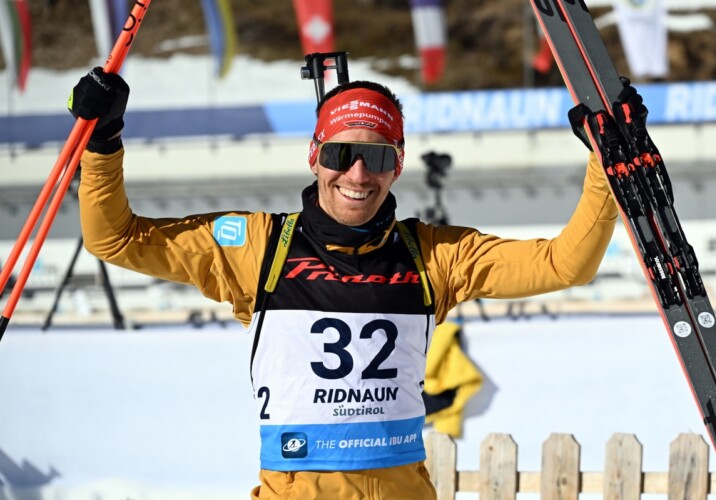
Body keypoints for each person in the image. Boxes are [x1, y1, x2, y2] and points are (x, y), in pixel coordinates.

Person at [70, 66, 618, 499]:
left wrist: (603, 162)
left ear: (397, 164)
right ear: (315, 156)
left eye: (376, 156)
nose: (358, 174)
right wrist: (103, 141)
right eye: (341, 153)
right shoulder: (258, 247)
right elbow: (114, 238)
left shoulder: (435, 255)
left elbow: (563, 264)